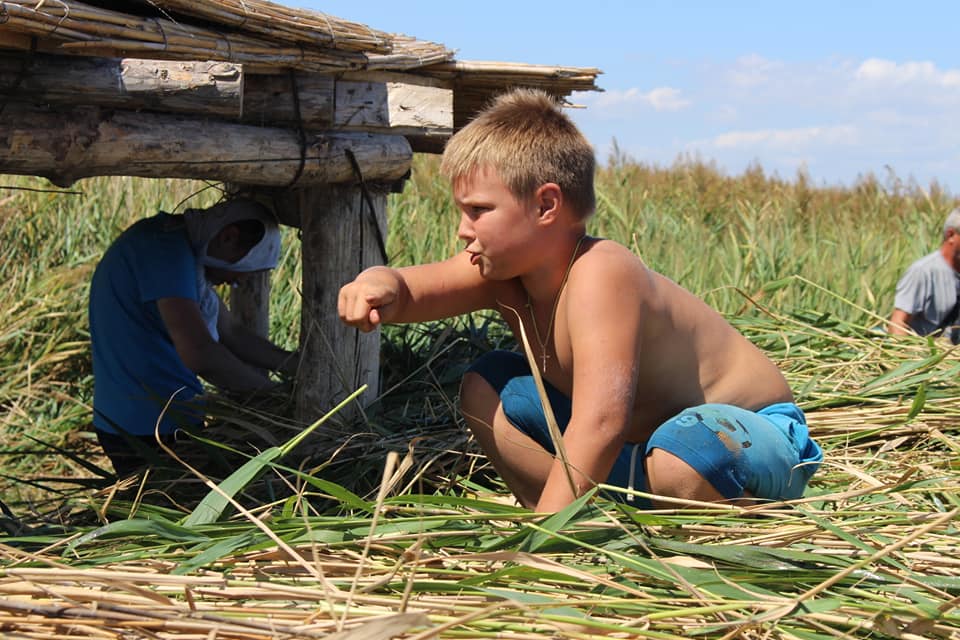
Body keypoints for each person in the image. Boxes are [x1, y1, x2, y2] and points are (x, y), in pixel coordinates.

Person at [338, 89, 822, 512]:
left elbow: (601, 422)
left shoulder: (600, 272)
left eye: (479, 211)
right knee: (486, 385)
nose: (463, 229)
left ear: (546, 205)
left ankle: (575, 522)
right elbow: (416, 289)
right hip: (638, 452)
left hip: (745, 437)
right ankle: (572, 510)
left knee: (687, 452)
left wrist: (543, 550)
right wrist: (378, 284)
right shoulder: (502, 272)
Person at [89, 198, 298, 475]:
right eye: (242, 272)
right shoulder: (165, 251)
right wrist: (273, 398)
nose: (238, 282)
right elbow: (200, 352)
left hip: (146, 418)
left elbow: (231, 332)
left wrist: (297, 365)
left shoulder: (176, 245)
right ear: (228, 237)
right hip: (150, 427)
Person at [888, 207, 960, 344]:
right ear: (951, 235)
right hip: (929, 357)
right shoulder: (923, 272)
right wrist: (909, 359)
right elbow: (897, 323)